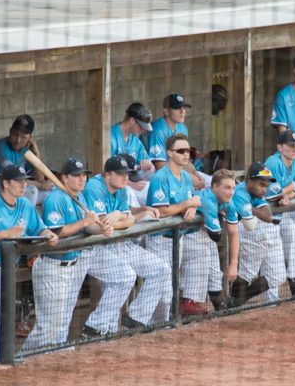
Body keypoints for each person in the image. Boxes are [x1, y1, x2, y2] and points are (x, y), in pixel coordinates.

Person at [19, 158, 123, 353]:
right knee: (47, 326)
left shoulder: (79, 196)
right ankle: (22, 360)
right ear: (64, 178)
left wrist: (101, 229)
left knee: (58, 324)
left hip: (70, 265)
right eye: (76, 176)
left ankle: (47, 359)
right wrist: (85, 222)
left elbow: (88, 225)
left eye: (84, 175)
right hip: (52, 265)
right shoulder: (55, 198)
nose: (82, 179)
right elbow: (56, 231)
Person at [0, 164, 59, 363]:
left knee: (2, 323)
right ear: (6, 183)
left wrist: (47, 234)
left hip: (7, 271)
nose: (24, 185)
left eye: (25, 180)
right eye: (19, 181)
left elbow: (39, 229)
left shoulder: (25, 205)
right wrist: (5, 234)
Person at [82, 154, 172, 332]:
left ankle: (136, 318)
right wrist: (120, 217)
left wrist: (119, 215)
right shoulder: (94, 186)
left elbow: (127, 220)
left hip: (120, 243)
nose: (126, 177)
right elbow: (101, 224)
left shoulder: (122, 188)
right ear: (108, 174)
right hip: (97, 246)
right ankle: (96, 330)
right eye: (121, 174)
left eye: (127, 174)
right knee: (121, 280)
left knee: (161, 269)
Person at [146, 133, 206, 316]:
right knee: (162, 289)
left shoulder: (186, 178)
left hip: (177, 238)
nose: (186, 154)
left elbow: (189, 202)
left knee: (171, 286)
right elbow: (162, 210)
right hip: (160, 238)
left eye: (188, 150)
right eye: (181, 151)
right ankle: (152, 328)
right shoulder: (160, 177)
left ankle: (163, 327)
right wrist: (188, 204)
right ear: (169, 153)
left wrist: (193, 207)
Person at [225, 162, 286, 307]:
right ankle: (231, 304)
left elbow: (268, 215)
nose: (264, 189)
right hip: (234, 229)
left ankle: (235, 302)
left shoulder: (255, 193)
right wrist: (253, 209)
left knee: (277, 276)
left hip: (247, 229)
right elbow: (250, 225)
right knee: (247, 272)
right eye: (261, 184)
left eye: (265, 185)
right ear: (250, 181)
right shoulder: (240, 193)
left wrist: (250, 208)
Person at [182, 169, 240, 312]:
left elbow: (233, 233)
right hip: (187, 234)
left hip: (203, 234)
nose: (231, 192)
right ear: (214, 187)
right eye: (227, 187)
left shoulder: (229, 203)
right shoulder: (209, 200)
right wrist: (220, 217)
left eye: (233, 188)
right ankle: (187, 305)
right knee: (200, 261)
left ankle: (220, 308)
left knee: (215, 272)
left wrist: (233, 263)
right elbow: (216, 235)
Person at [0, 114, 53, 206]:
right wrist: (41, 185)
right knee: (31, 190)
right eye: (15, 134)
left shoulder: (26, 150)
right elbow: (12, 179)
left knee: (50, 193)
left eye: (23, 137)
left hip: (9, 189)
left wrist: (37, 154)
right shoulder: (0, 148)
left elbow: (40, 179)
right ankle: (22, 219)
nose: (18, 140)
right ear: (10, 131)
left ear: (30, 138)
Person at [264, 129, 295, 297]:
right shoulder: (273, 163)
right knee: (269, 261)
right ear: (280, 147)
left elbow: (290, 192)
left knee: (292, 238)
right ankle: (266, 300)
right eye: (290, 146)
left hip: (280, 214)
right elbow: (272, 195)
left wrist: (287, 196)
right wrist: (290, 189)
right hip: (263, 217)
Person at [148, 93, 209, 191]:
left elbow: (184, 159)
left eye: (184, 108)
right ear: (166, 111)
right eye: (177, 108)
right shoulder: (158, 130)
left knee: (211, 183)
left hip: (177, 171)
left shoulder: (182, 128)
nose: (182, 111)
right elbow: (160, 166)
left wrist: (195, 173)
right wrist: (188, 178)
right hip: (157, 176)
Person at [111, 102, 156, 204]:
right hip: (118, 185)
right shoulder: (112, 137)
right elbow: (105, 173)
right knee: (128, 191)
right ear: (131, 120)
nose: (143, 130)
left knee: (157, 184)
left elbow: (152, 168)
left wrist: (148, 166)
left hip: (133, 180)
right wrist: (130, 183)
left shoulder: (135, 139)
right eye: (141, 126)